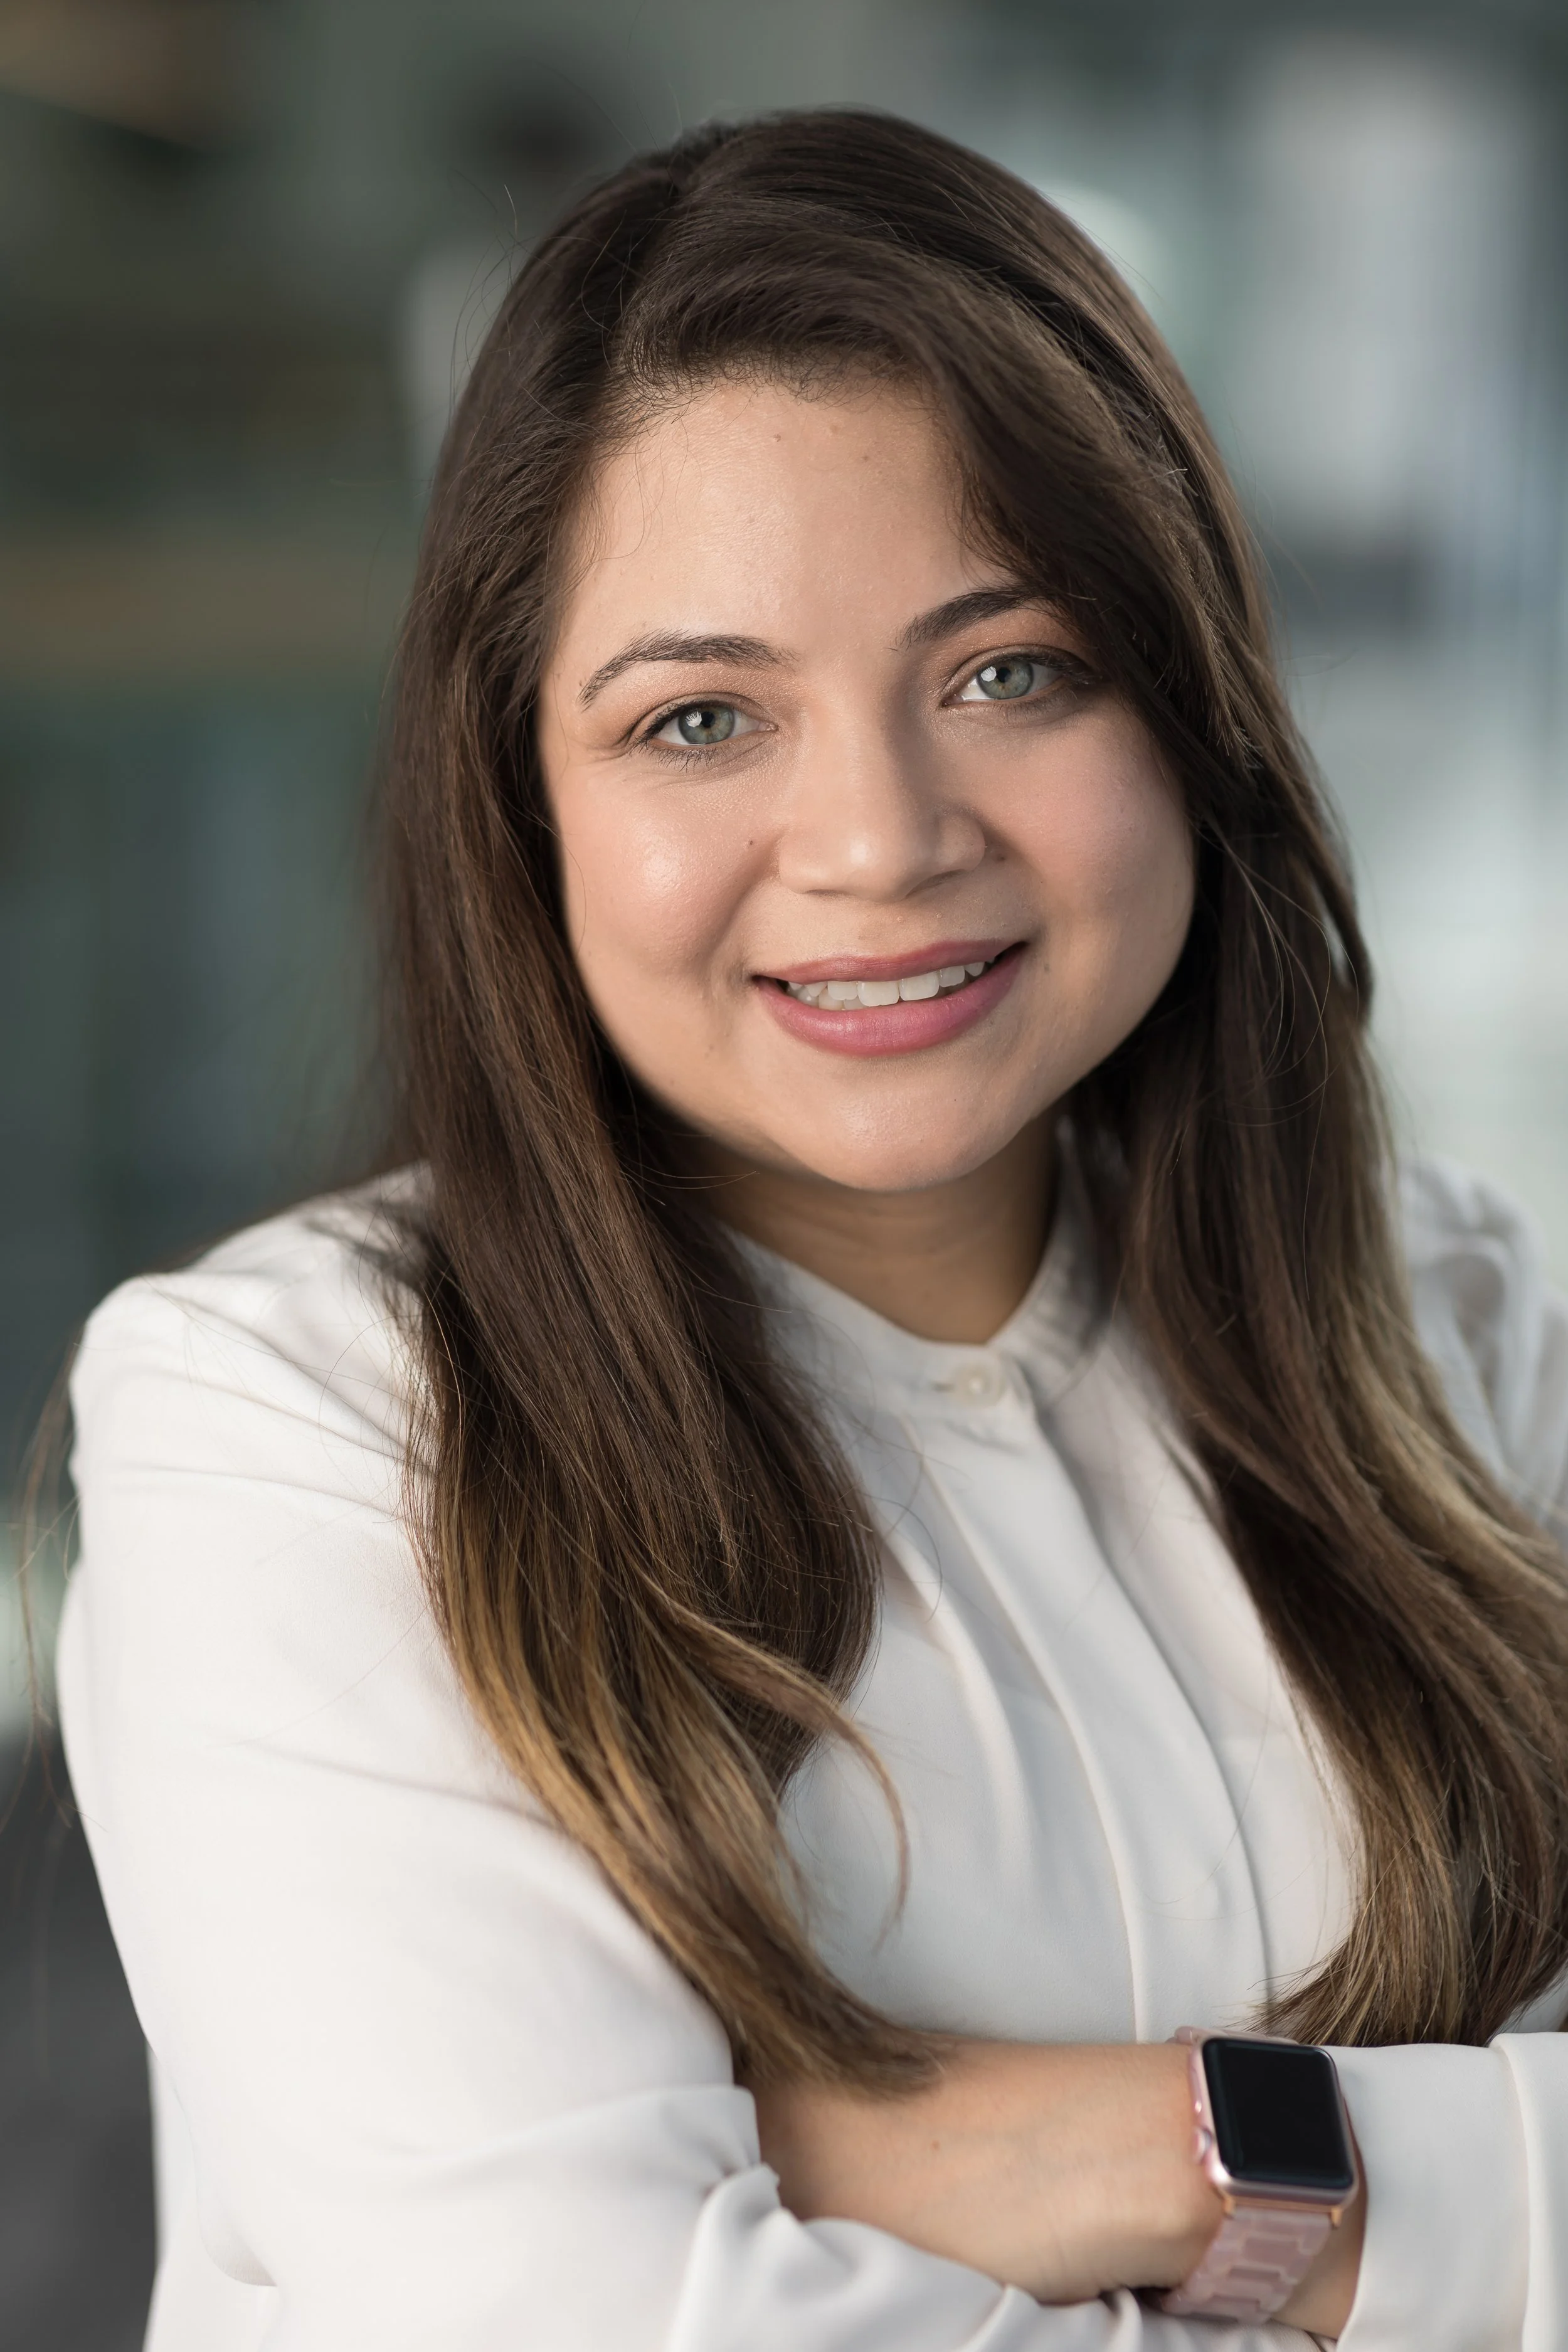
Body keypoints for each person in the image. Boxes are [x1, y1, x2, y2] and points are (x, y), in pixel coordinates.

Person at [57, 110, 1568, 2352]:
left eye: (1008, 670)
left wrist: (1111, 2150)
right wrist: (1397, 2199)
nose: (875, 836)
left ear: (1190, 704)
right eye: (698, 717)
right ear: (521, 799)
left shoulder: (1462, 1327)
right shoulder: (299, 1421)